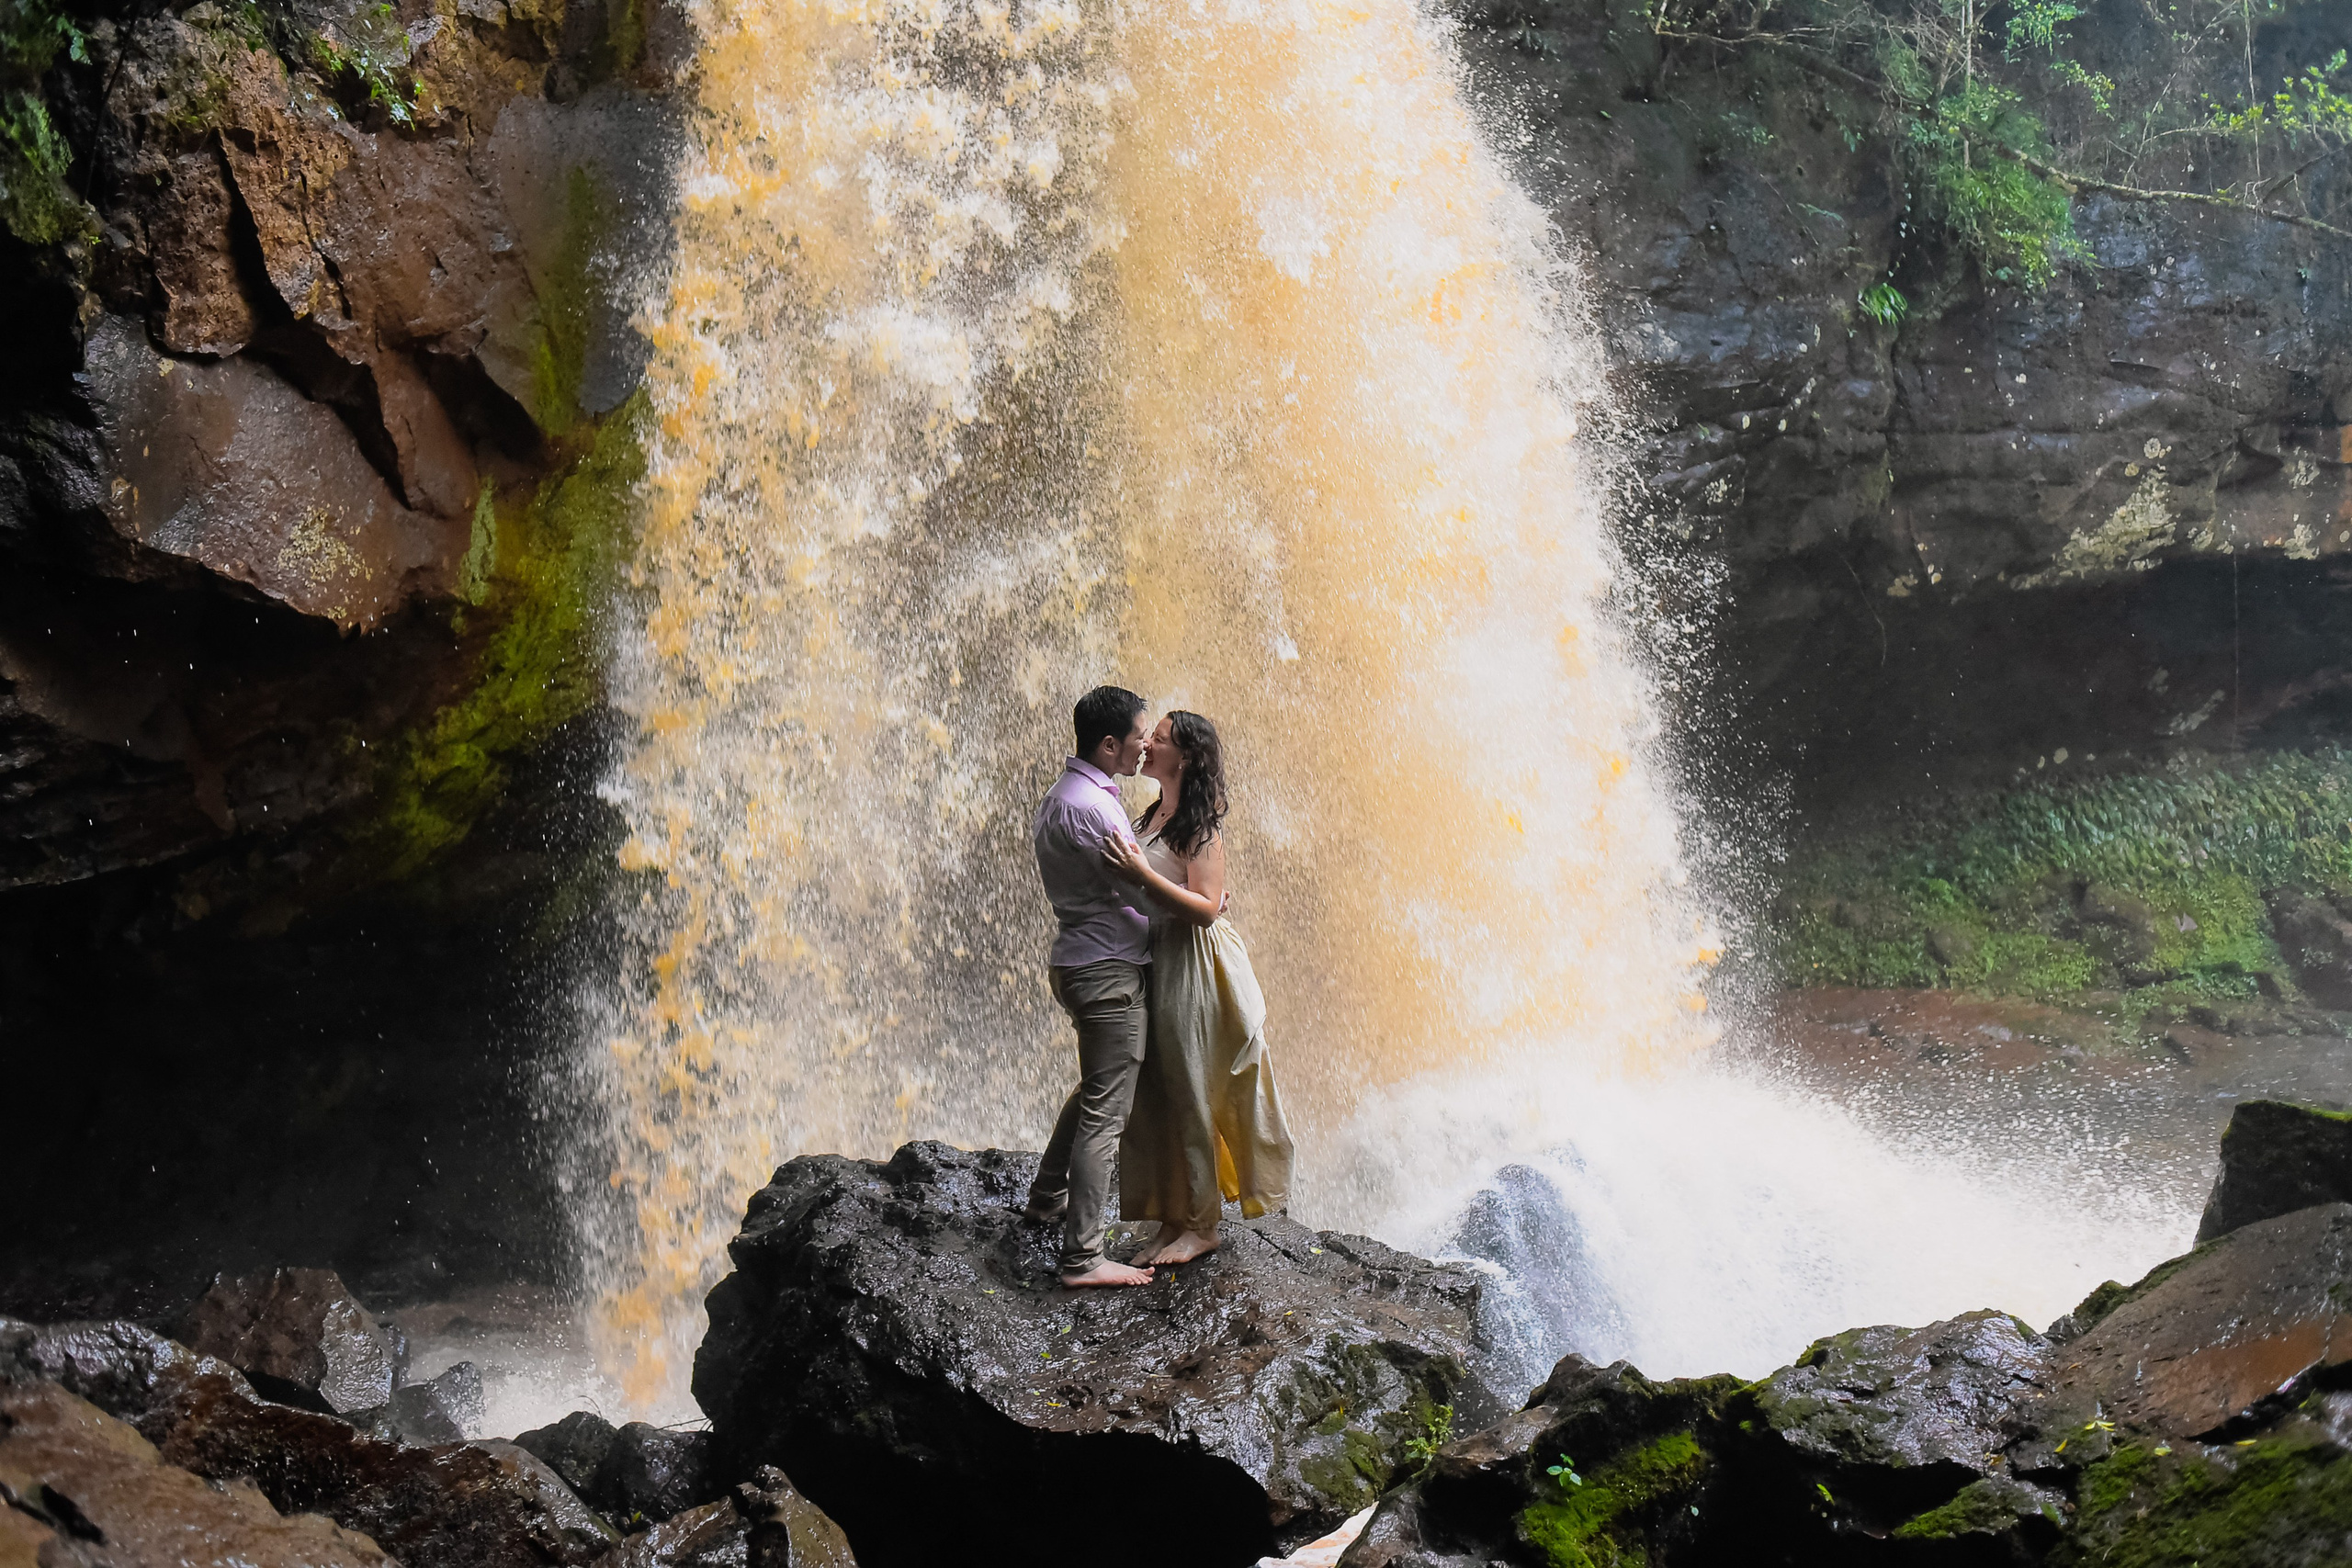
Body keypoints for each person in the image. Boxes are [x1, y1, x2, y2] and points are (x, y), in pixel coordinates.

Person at [1104, 709, 1295, 1266]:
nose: (1147, 747)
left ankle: (1203, 1225)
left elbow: (1208, 908)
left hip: (1190, 966)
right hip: (1154, 958)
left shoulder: (1200, 825)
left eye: (1157, 740)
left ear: (1183, 757)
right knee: (1159, 1090)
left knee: (1188, 1086)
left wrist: (1142, 877)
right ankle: (1171, 1218)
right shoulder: (1154, 811)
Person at [1024, 686, 1159, 1288]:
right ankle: (1082, 1256)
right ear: (1109, 744)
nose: (1146, 745)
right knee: (1107, 1115)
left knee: (1093, 1092)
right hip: (1107, 971)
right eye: (1138, 736)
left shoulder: (1062, 796)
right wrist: (1205, 904)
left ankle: (1046, 1195)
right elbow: (1145, 895)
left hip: (1078, 959)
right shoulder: (1097, 811)